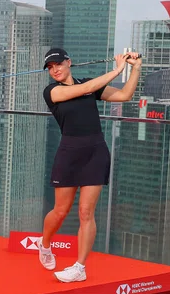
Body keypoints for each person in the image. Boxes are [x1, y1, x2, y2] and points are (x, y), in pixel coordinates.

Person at [39, 48, 142, 282]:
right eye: (50, 68)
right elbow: (86, 88)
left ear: (69, 62)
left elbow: (124, 95)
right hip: (69, 154)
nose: (55, 70)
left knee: (86, 212)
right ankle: (44, 244)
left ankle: (80, 268)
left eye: (58, 64)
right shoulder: (52, 91)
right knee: (61, 211)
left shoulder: (88, 85)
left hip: (95, 152)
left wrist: (136, 69)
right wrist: (118, 69)